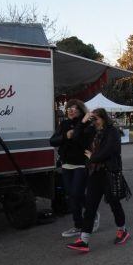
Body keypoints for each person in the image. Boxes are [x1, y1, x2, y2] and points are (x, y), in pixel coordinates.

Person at [67, 108, 130, 253]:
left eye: (96, 119)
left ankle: (122, 230)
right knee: (90, 207)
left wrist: (92, 157)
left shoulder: (112, 131)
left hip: (108, 173)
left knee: (114, 204)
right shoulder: (92, 131)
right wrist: (83, 121)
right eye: (92, 119)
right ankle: (84, 240)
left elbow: (108, 151)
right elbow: (76, 137)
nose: (94, 121)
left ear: (103, 118)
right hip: (94, 173)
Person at [49, 99, 99, 237]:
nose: (70, 110)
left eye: (73, 108)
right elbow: (52, 141)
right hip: (66, 164)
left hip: (81, 164)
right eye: (68, 108)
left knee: (77, 194)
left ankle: (89, 218)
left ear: (81, 110)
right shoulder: (64, 124)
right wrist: (65, 135)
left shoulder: (89, 125)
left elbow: (79, 139)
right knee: (72, 195)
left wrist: (79, 126)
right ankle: (78, 225)